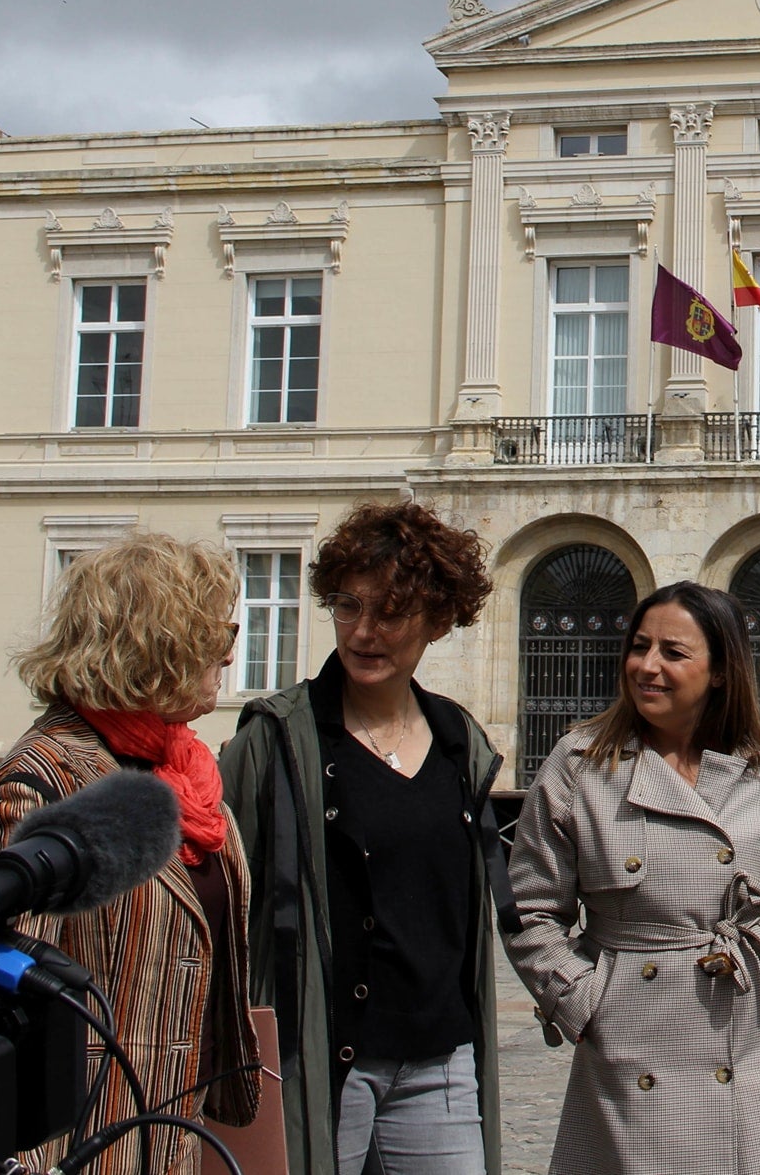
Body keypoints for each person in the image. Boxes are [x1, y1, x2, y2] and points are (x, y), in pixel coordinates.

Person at [507, 580, 760, 1175]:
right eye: (639, 647)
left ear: (719, 671)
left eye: (673, 653)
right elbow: (530, 907)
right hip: (636, 1035)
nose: (647, 667)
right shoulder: (582, 765)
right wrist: (580, 1000)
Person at [220, 500, 506, 1175]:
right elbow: (224, 890)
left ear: (439, 619)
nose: (362, 631)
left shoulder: (458, 739)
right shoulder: (276, 737)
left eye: (389, 612)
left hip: (439, 1057)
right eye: (348, 605)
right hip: (316, 1055)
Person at [0, 533, 260, 1175]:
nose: (230, 655)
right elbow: (4, 995)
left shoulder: (187, 767)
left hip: (177, 1123)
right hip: (86, 1136)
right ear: (162, 643)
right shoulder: (47, 779)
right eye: (222, 633)